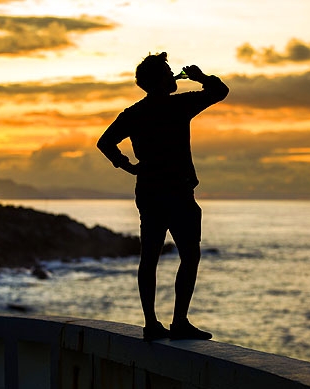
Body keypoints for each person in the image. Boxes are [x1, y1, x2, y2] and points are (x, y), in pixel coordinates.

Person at [97, 52, 229, 341]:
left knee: (150, 258)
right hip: (179, 193)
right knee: (189, 256)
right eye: (168, 72)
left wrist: (126, 165)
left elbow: (104, 142)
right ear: (158, 80)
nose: (173, 76)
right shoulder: (179, 105)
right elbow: (220, 91)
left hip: (149, 191)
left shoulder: (134, 113)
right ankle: (179, 322)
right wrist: (201, 77)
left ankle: (151, 324)